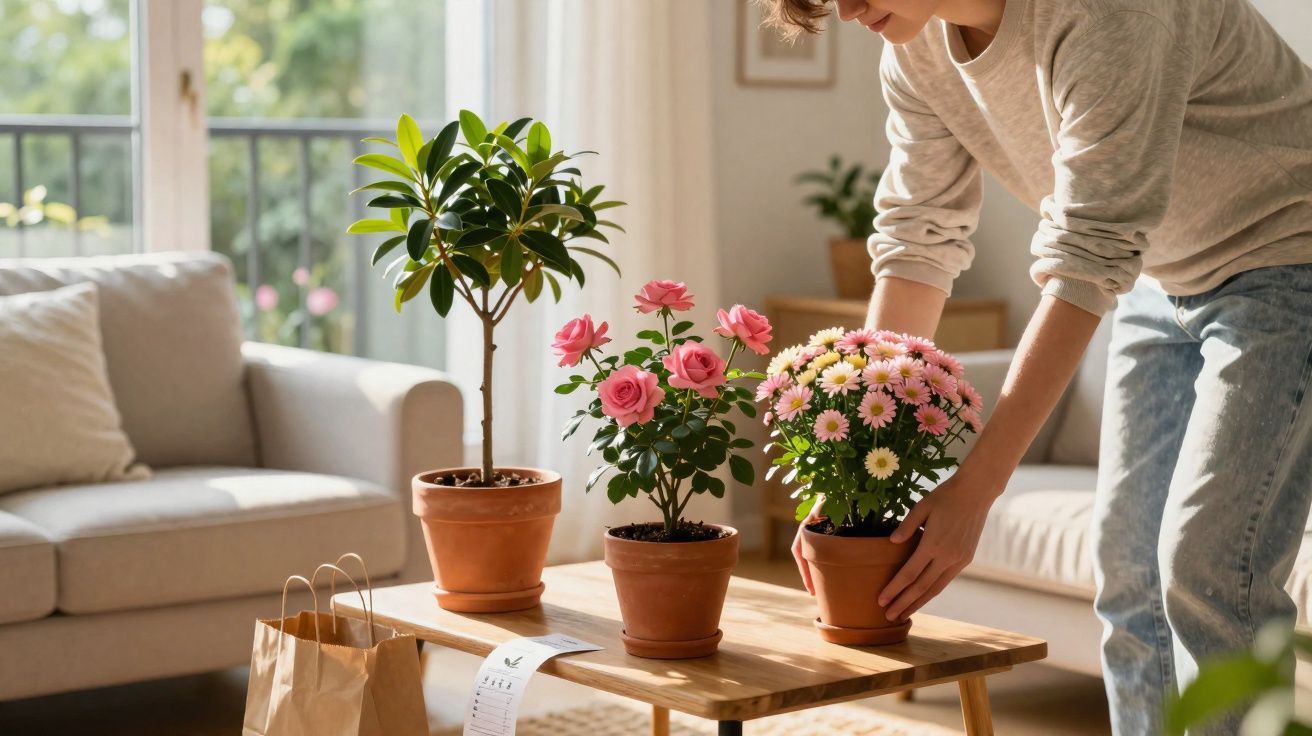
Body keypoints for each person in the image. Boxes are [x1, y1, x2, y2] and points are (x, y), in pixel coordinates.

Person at [763, 0, 1312, 732]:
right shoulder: (916, 49)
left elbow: (1087, 254)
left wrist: (975, 490)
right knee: (1129, 577)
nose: (844, 7)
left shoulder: (1107, 12)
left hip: (1288, 254)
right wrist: (861, 468)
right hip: (1157, 277)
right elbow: (919, 241)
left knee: (1209, 570)